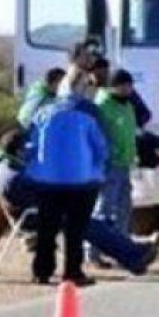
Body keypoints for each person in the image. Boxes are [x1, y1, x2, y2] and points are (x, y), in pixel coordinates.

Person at [0, 130, 158, 276]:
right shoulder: (15, 176)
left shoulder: (9, 166)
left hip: (40, 210)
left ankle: (134, 255)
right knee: (88, 224)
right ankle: (134, 256)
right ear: (20, 150)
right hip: (33, 216)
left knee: (94, 220)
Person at [24, 68, 108, 285]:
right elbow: (100, 147)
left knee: (47, 227)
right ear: (81, 87)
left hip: (47, 179)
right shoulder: (88, 114)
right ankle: (72, 272)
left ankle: (41, 271)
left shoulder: (43, 112)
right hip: (81, 180)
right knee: (75, 229)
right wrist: (99, 167)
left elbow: (30, 145)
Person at [89, 69, 141, 265]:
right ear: (114, 86)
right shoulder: (102, 106)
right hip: (108, 166)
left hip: (125, 164)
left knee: (124, 209)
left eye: (130, 85)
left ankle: (121, 250)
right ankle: (93, 253)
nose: (129, 88)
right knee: (103, 209)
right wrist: (108, 156)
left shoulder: (127, 105)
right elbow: (98, 137)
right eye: (125, 85)